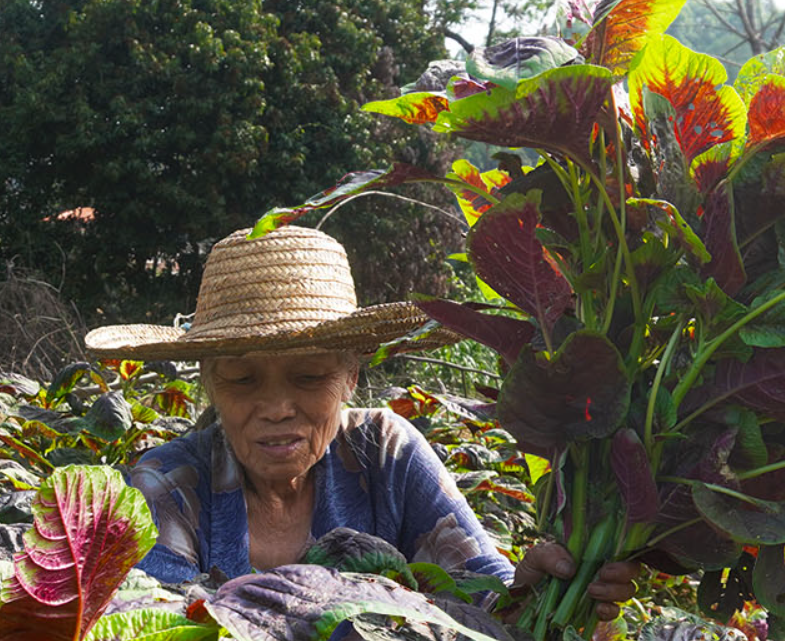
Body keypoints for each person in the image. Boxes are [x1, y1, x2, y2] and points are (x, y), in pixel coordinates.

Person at [85, 224, 638, 619]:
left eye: (308, 377)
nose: (277, 407)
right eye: (242, 379)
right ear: (208, 382)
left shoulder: (385, 451)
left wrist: (543, 591)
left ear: (351, 377)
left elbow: (487, 600)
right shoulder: (168, 485)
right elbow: (161, 638)